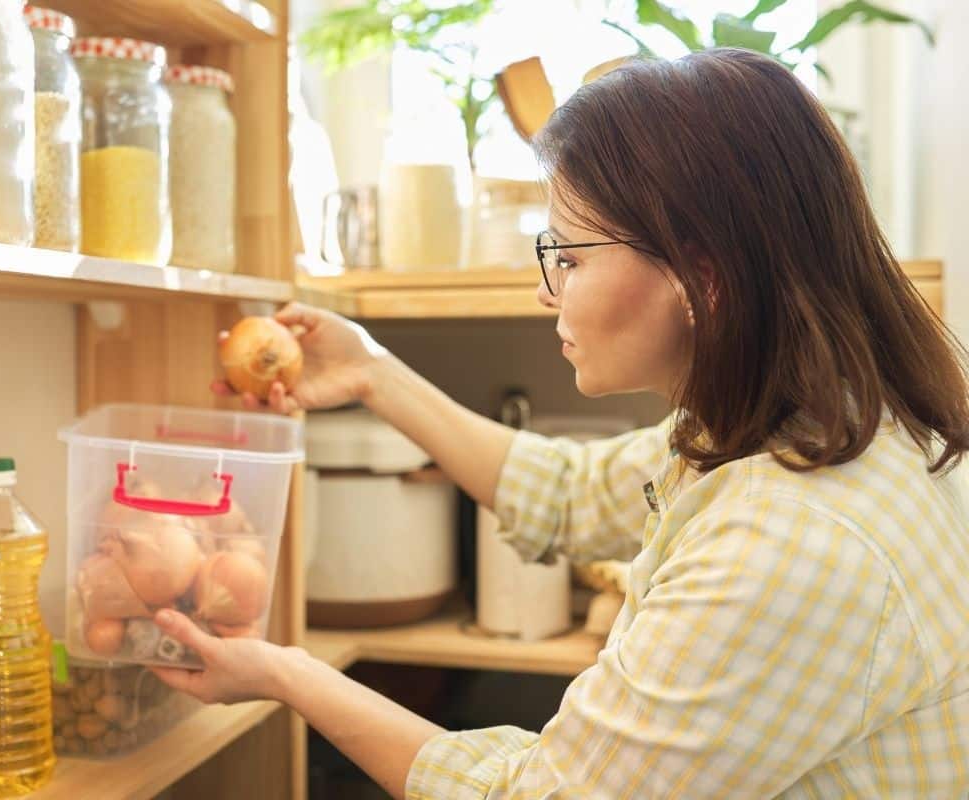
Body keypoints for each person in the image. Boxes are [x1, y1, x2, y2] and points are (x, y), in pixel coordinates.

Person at [152, 48, 969, 798]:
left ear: (701, 275)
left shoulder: (793, 538)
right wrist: (369, 370)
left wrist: (288, 675)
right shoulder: (804, 426)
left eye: (569, 258)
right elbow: (572, 492)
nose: (548, 291)